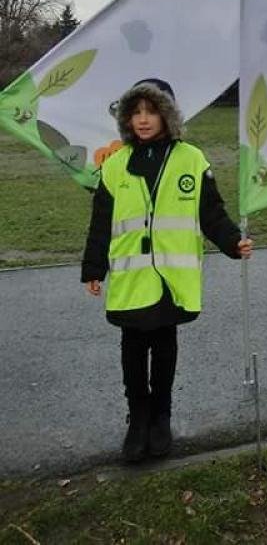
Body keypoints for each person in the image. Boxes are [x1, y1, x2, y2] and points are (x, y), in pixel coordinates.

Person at [81, 78, 252, 463]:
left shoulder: (191, 158)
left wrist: (232, 241)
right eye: (136, 112)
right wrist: (93, 267)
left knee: (163, 346)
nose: (143, 120)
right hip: (130, 278)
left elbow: (211, 212)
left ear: (167, 115)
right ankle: (137, 420)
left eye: (151, 111)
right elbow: (101, 223)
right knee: (132, 348)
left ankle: (161, 417)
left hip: (171, 280)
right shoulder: (115, 165)